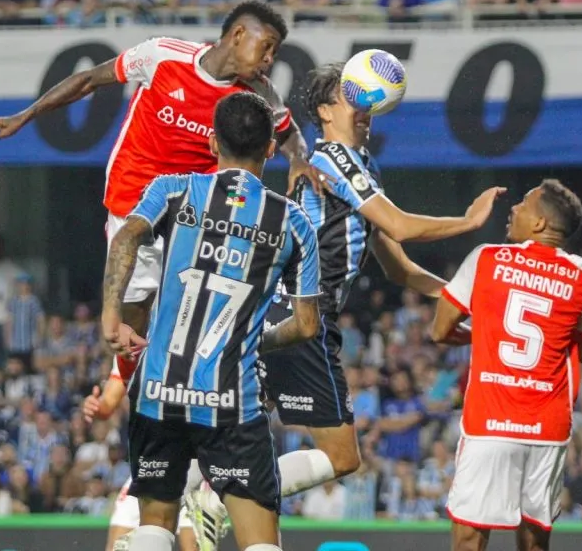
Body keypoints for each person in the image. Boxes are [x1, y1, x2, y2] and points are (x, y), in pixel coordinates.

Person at [202, 62, 504, 534]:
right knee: (341, 456)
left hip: (291, 314)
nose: (365, 111)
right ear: (324, 110)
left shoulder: (362, 169)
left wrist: (468, 305)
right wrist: (467, 223)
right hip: (299, 313)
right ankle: (219, 499)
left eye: (368, 103)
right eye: (352, 99)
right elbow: (401, 225)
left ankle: (209, 501)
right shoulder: (334, 160)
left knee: (269, 443)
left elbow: (397, 266)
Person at [0, 1, 321, 382]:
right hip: (134, 199)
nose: (269, 59)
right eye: (266, 46)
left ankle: (202, 380)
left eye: (275, 52)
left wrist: (299, 159)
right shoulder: (162, 56)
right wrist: (26, 115)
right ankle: (127, 378)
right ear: (237, 35)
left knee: (202, 305)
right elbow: (89, 80)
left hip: (194, 208)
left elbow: (288, 132)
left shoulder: (257, 93)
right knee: (134, 308)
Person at [101, 92, 322, 551]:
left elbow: (125, 238)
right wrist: (253, 341)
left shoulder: (172, 190)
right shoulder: (293, 222)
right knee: (260, 543)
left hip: (159, 393)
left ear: (211, 143)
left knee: (154, 528)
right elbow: (305, 326)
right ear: (269, 150)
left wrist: (110, 316)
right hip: (232, 404)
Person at [431, 180, 582, 551]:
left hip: (490, 422)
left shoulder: (487, 258)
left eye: (523, 204)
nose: (514, 209)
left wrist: (483, 335)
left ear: (539, 222)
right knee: (534, 540)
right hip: (548, 426)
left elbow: (441, 329)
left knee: (469, 538)